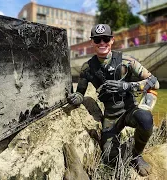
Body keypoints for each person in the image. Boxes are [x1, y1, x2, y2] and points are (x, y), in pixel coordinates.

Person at [67, 24, 160, 176]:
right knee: (110, 159)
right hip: (111, 116)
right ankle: (126, 145)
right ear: (92, 42)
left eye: (106, 39)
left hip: (130, 110)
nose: (102, 43)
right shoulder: (87, 68)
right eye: (97, 39)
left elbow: (154, 82)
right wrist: (75, 99)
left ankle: (136, 154)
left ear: (112, 40)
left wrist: (127, 86)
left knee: (145, 119)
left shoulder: (126, 61)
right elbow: (80, 93)